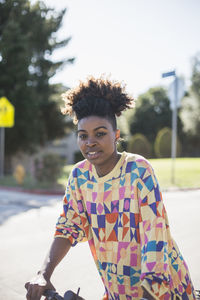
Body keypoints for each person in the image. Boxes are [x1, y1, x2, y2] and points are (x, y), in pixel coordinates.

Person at [25, 76, 196, 300]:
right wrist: (43, 274)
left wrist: (150, 292)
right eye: (83, 136)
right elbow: (67, 228)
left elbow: (155, 239)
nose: (90, 142)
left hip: (165, 291)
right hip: (118, 293)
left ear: (116, 136)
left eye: (100, 133)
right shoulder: (79, 176)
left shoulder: (139, 170)